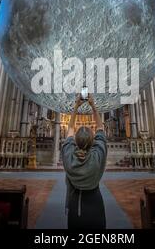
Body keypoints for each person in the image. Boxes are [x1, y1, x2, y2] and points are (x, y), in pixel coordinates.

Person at [61, 93, 107, 229]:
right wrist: (93, 105)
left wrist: (76, 106)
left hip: (75, 203)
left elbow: (69, 129)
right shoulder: (98, 156)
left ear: (75, 141)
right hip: (95, 202)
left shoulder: (69, 157)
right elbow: (100, 129)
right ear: (93, 141)